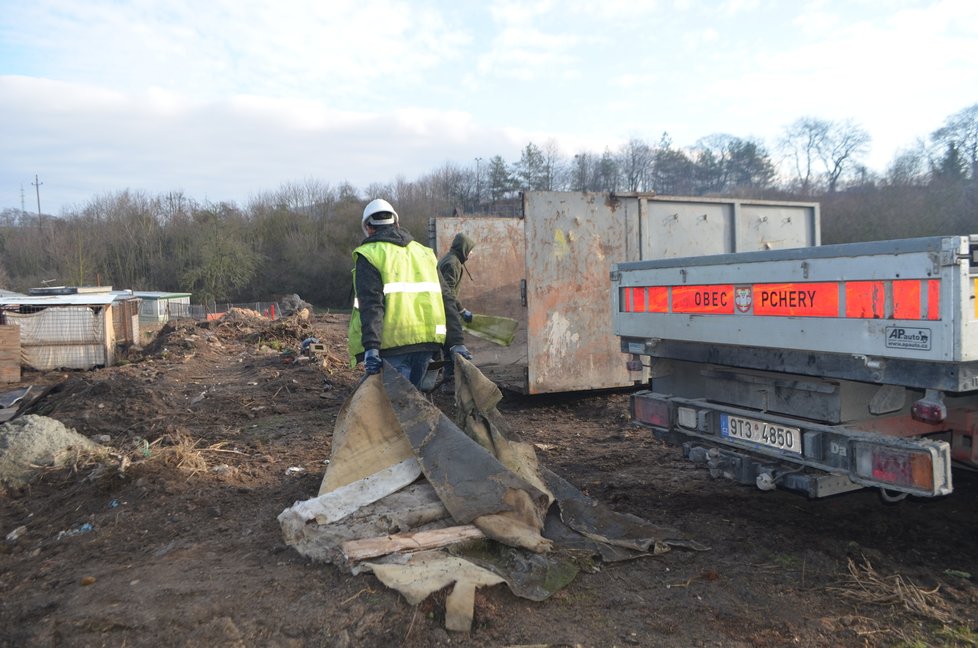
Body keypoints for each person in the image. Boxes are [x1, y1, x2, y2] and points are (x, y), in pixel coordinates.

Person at [348, 198, 471, 390]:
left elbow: (372, 305)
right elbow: (446, 299)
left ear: (369, 228)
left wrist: (371, 348)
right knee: (411, 402)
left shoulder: (369, 254)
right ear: (397, 224)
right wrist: (456, 343)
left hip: (391, 347)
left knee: (396, 408)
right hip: (427, 345)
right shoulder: (424, 253)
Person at [437, 233, 476, 390]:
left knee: (446, 347)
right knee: (450, 346)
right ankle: (451, 383)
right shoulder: (453, 263)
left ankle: (449, 382)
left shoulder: (451, 259)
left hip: (442, 308)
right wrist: (461, 310)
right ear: (464, 249)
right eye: (470, 250)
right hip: (444, 310)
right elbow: (448, 291)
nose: (471, 254)